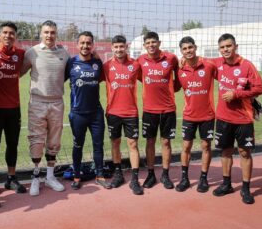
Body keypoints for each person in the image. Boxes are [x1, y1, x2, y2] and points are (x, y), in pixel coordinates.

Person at [212, 33, 262, 204]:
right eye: (222, 47)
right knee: (225, 152)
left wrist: (236, 94)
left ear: (235, 46)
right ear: (219, 49)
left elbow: (259, 88)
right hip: (223, 118)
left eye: (228, 46)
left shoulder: (247, 66)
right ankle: (226, 184)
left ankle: (246, 188)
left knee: (244, 152)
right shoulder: (217, 63)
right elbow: (199, 61)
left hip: (243, 119)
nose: (225, 50)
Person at [21, 20, 69, 196]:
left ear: (57, 34)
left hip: (57, 102)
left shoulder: (64, 53)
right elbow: (18, 73)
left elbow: (64, 75)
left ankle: (50, 177)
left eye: (53, 32)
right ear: (41, 33)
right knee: (36, 140)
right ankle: (35, 177)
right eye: (46, 32)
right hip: (37, 102)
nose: (49, 35)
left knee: (54, 141)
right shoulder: (32, 52)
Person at [65, 31, 111, 190]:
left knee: (98, 145)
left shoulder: (98, 63)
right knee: (78, 145)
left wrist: (97, 57)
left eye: (88, 43)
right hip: (77, 113)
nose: (85, 46)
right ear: (77, 45)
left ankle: (100, 175)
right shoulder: (70, 63)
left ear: (93, 45)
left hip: (96, 113)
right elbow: (58, 81)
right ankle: (77, 176)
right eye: (82, 43)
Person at [0, 22, 27, 196]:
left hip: (13, 109)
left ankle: (11, 178)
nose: (8, 36)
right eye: (5, 33)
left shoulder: (20, 54)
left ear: (15, 36)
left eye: (12, 33)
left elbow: (23, 70)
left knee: (12, 144)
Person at [136, 31, 179, 190]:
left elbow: (179, 77)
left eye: (153, 42)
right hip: (149, 109)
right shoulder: (141, 60)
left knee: (166, 142)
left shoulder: (171, 58)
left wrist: (172, 88)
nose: (151, 45)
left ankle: (166, 175)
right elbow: (140, 76)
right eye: (148, 43)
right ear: (144, 45)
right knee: (150, 142)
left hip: (168, 108)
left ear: (159, 43)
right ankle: (151, 174)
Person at [102, 35, 143, 195]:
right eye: (116, 47)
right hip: (113, 112)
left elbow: (149, 78)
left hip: (131, 112)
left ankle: (134, 179)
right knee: (115, 143)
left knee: (133, 144)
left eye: (121, 46)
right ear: (112, 48)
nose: (119, 49)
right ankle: (118, 174)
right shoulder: (106, 66)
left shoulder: (135, 65)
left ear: (126, 47)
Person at [175, 36, 217, 193]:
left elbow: (225, 76)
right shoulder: (180, 70)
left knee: (206, 146)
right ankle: (184, 178)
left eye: (190, 47)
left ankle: (203, 179)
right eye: (184, 49)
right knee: (186, 146)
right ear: (181, 51)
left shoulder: (209, 65)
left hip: (207, 115)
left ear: (195, 47)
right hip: (189, 115)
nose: (188, 51)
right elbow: (173, 87)